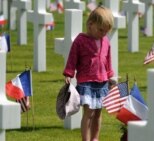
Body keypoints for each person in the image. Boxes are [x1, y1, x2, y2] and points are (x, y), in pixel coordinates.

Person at [63, 6, 115, 141]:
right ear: (90, 24)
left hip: (102, 82)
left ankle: (95, 138)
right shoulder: (80, 41)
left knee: (98, 113)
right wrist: (69, 73)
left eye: (106, 31)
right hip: (86, 82)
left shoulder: (106, 42)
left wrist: (110, 76)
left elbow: (108, 60)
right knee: (88, 113)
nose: (103, 34)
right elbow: (72, 57)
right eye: (101, 30)